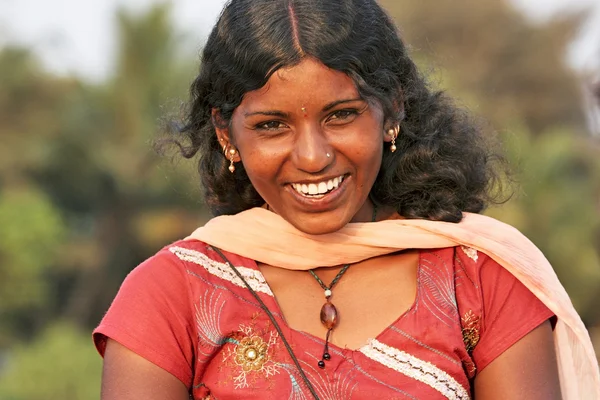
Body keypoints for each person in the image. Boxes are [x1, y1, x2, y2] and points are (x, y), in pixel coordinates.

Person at [93, 0, 600, 399]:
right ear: (227, 136)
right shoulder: (168, 296)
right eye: (272, 126)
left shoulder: (483, 280)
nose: (313, 157)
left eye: (341, 116)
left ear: (391, 112)